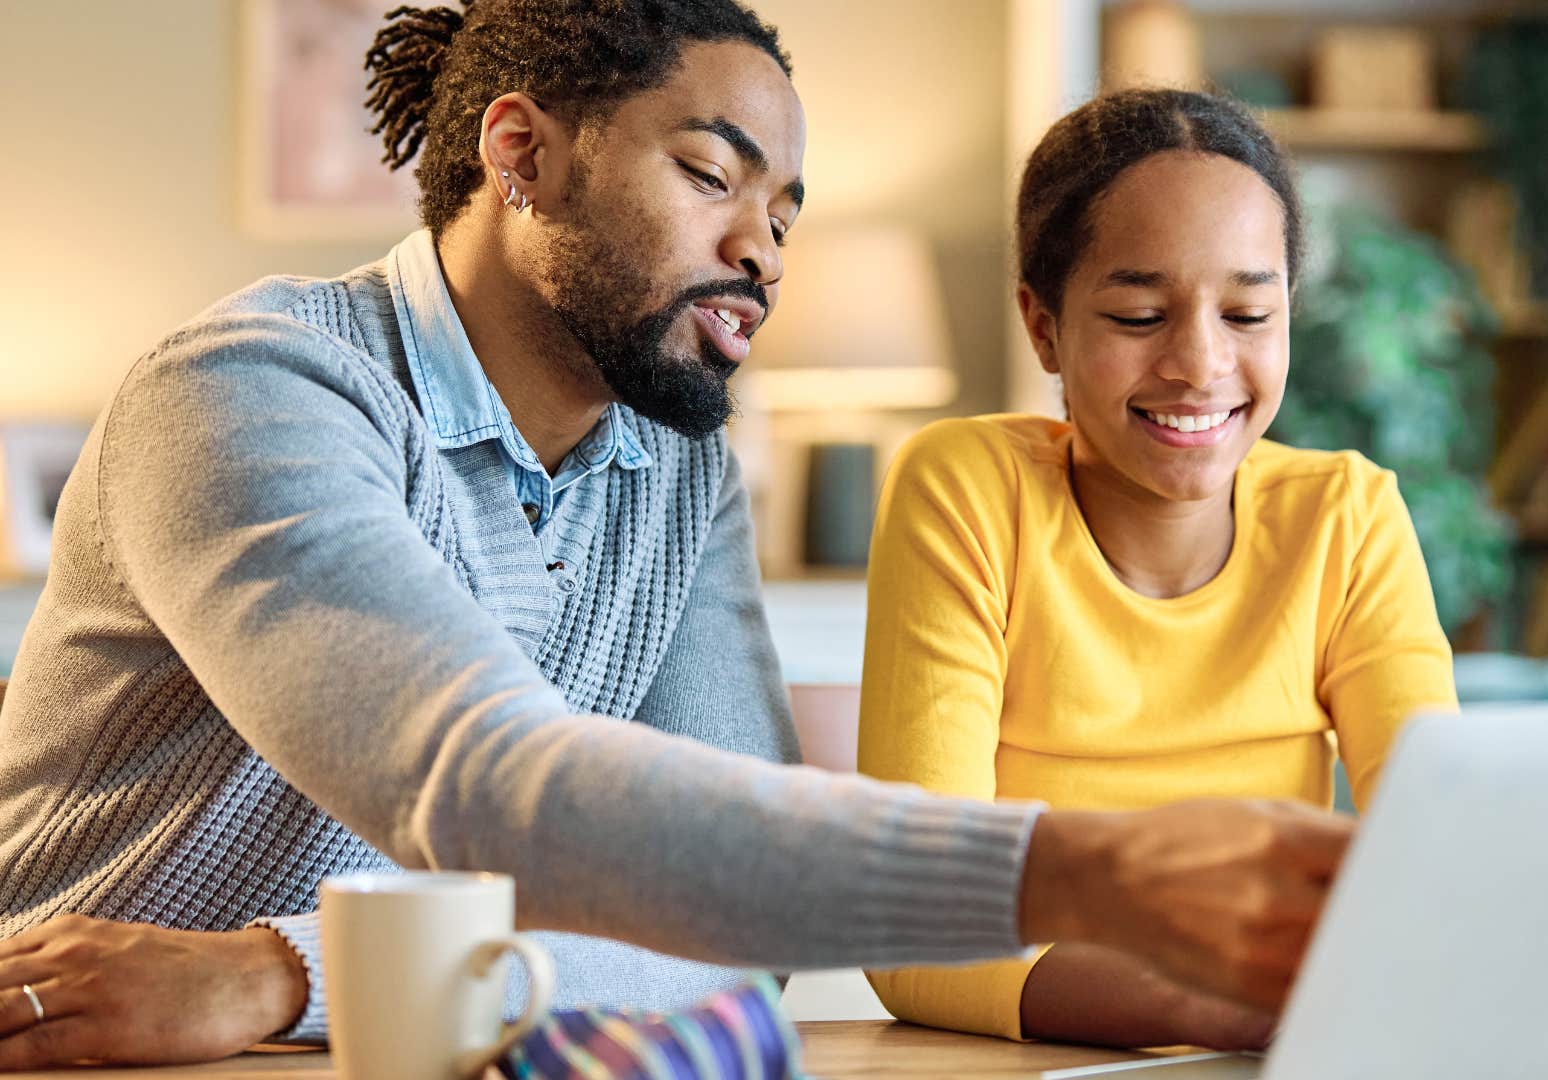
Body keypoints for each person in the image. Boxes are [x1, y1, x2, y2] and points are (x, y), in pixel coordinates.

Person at [0, 4, 1354, 1069]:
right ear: (521, 153)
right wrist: (1090, 871)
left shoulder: (671, 466)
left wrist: (276, 974)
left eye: (784, 216)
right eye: (715, 175)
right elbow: (482, 782)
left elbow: (725, 941)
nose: (764, 252)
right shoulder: (253, 393)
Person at [859, 88, 1458, 1051]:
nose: (1201, 363)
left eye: (1249, 312)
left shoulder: (1346, 516)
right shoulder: (966, 492)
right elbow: (917, 923)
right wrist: (1216, 1009)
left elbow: (1444, 849)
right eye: (1140, 314)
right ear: (1045, 327)